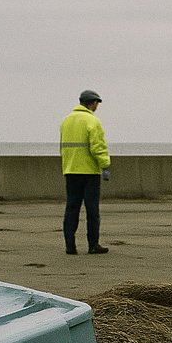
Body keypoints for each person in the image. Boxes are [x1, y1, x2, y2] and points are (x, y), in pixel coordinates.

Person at [59, 89, 111, 255]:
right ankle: (93, 244)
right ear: (94, 103)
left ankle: (70, 245)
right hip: (89, 172)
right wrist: (105, 164)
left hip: (71, 170)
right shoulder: (92, 121)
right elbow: (97, 147)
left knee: (71, 208)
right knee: (92, 210)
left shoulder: (66, 121)